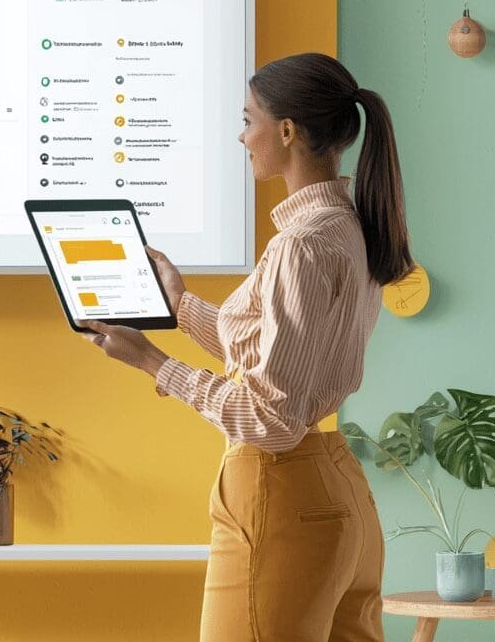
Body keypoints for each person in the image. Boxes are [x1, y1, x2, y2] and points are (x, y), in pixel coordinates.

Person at [81, 53, 412, 642]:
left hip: (278, 492)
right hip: (338, 491)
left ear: (286, 131)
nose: (242, 135)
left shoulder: (300, 247)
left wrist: (151, 363)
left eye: (248, 118)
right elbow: (279, 359)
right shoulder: (349, 228)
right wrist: (180, 305)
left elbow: (271, 418)